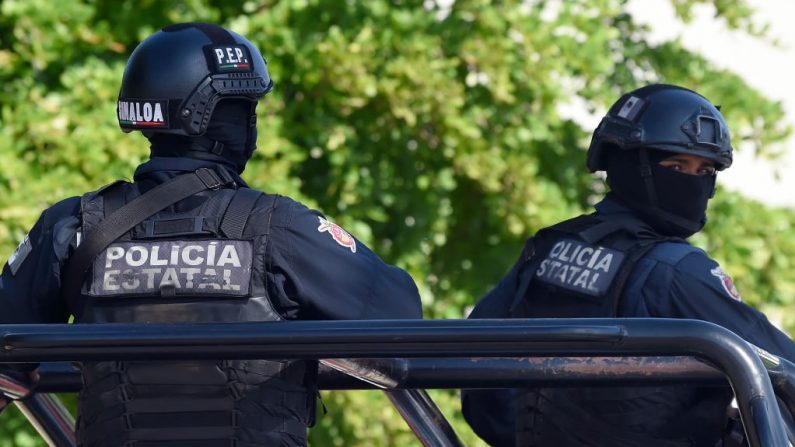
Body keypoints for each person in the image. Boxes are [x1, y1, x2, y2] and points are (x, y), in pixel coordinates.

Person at [0, 22, 422, 447]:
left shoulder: (72, 226)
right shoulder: (277, 227)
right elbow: (402, 319)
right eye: (240, 109)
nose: (249, 124)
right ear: (204, 113)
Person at [461, 84, 795, 446]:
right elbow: (784, 367)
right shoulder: (676, 272)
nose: (692, 181)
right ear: (631, 163)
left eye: (705, 170)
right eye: (676, 165)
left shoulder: (547, 248)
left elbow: (477, 377)